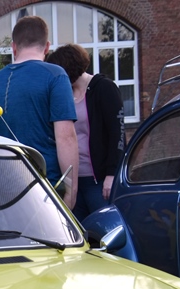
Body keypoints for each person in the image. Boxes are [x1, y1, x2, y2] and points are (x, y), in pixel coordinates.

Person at [0, 16, 78, 209]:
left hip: (6, 191)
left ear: (13, 47)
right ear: (47, 47)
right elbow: (66, 137)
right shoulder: (55, 76)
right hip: (45, 188)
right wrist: (71, 190)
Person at [47, 43, 125, 221]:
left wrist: (111, 175)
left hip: (98, 181)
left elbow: (117, 134)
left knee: (106, 228)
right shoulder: (64, 94)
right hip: (72, 180)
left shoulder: (104, 88)